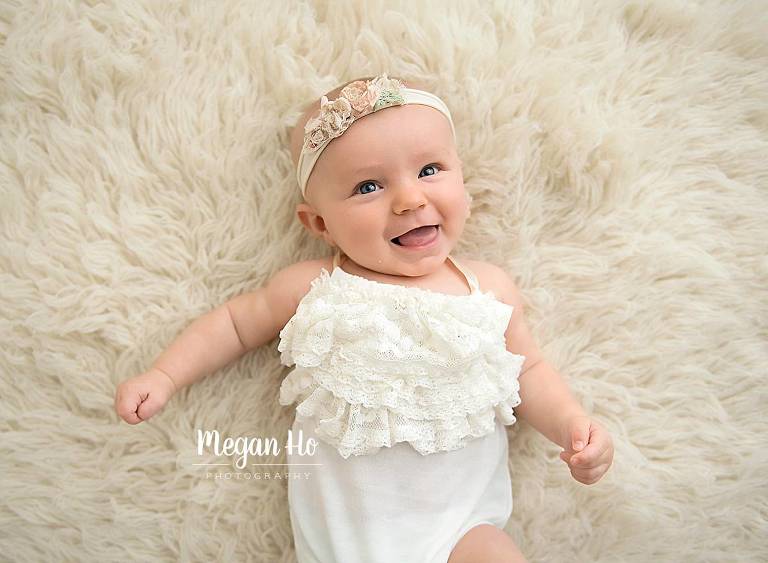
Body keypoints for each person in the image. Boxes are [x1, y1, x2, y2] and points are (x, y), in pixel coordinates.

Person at [114, 73, 614, 563]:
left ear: (463, 178)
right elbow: (234, 324)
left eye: (430, 170)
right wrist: (165, 375)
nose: (410, 199)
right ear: (320, 223)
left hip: (462, 529)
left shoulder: (487, 289)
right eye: (368, 186)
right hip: (350, 543)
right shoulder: (317, 287)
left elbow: (528, 371)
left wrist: (572, 424)